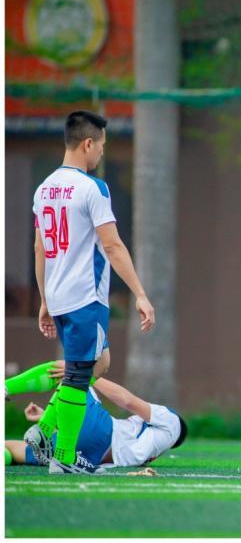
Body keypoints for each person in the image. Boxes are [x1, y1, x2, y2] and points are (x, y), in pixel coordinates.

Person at [30, 110, 155, 474]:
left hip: (60, 295)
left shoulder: (44, 188)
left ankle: (44, 430)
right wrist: (140, 295)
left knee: (98, 365)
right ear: (88, 143)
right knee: (78, 376)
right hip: (85, 298)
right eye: (101, 146)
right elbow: (113, 247)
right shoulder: (92, 188)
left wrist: (44, 299)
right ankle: (63, 457)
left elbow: (40, 248)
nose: (101, 153)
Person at [5, 360, 187, 469]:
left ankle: (6, 387)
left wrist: (85, 375)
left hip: (104, 434)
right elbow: (83, 433)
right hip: (87, 458)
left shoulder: (173, 422)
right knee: (12, 449)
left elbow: (127, 401)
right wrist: (47, 415)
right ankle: (45, 424)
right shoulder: (151, 450)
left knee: (68, 368)